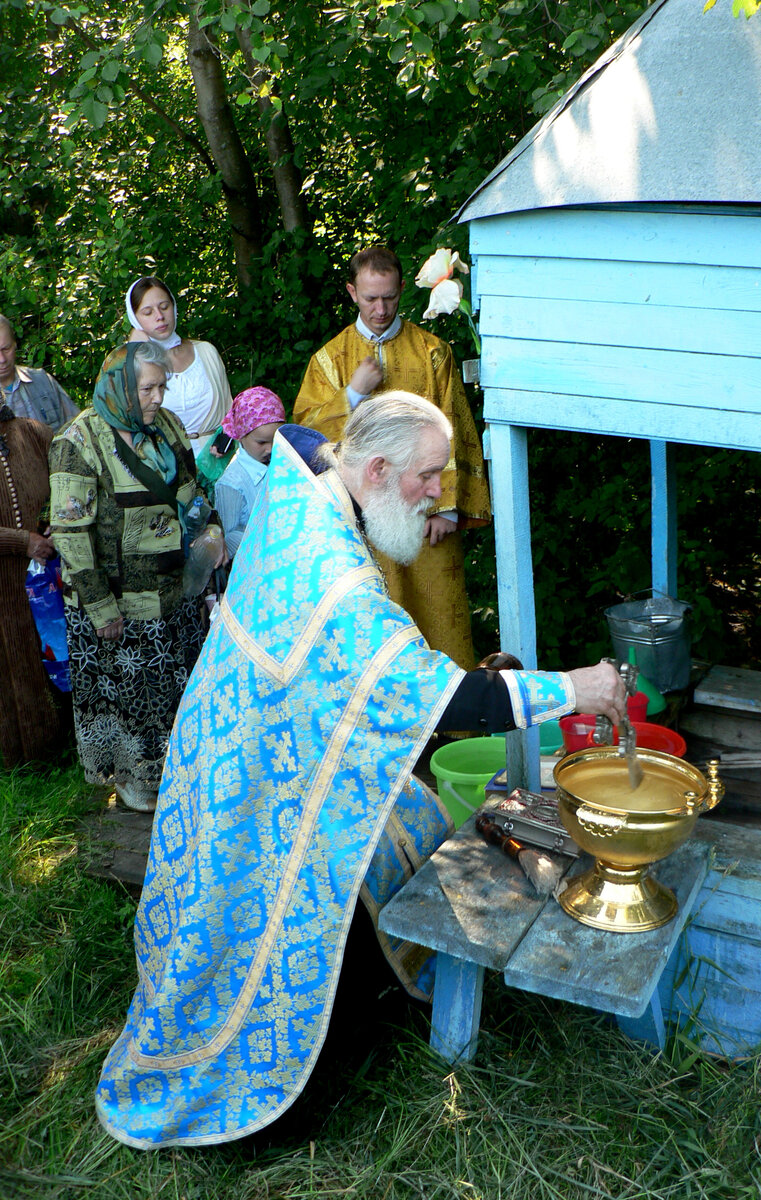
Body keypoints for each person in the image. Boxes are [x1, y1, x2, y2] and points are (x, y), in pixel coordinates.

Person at [95, 391, 626, 1148]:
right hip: (255, 778)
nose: (440, 492)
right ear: (377, 469)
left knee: (398, 817)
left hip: (228, 740)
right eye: (429, 477)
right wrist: (579, 688)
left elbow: (305, 437)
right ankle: (272, 1068)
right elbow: (448, 701)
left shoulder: (305, 484)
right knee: (257, 922)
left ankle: (356, 984)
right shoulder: (337, 583)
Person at [293, 245, 491, 669]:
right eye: (370, 299)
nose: (380, 309)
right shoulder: (329, 360)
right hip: (362, 519)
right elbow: (306, 438)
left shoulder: (432, 352)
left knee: (438, 619)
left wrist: (449, 510)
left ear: (402, 289)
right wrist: (352, 393)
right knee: (376, 629)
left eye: (389, 297)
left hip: (427, 516)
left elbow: (455, 428)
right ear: (351, 292)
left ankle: (453, 726)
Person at [49, 342, 224, 813]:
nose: (158, 398)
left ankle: (179, 773)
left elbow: (191, 489)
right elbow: (70, 533)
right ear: (120, 386)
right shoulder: (78, 441)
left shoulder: (167, 426)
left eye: (162, 387)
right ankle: (137, 786)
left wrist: (209, 531)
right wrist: (99, 606)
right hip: (116, 602)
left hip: (175, 590)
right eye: (147, 387)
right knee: (133, 697)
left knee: (176, 685)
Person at [0, 404, 64, 765]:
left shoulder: (33, 432)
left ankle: (64, 751)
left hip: (48, 577)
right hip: (3, 584)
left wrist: (54, 519)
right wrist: (20, 541)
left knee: (55, 653)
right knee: (12, 664)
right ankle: (22, 762)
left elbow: (67, 480)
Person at [125, 275, 232, 461]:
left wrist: (228, 436)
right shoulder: (132, 365)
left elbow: (230, 412)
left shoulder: (206, 353)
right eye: (148, 312)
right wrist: (135, 351)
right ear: (135, 319)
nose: (159, 316)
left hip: (217, 462)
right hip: (167, 465)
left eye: (164, 307)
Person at [214, 386, 288, 557]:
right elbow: (228, 536)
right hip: (257, 563)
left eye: (276, 440)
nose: (270, 449)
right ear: (241, 435)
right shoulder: (231, 483)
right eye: (261, 443)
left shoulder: (283, 462)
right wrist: (264, 542)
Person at [0, 315, 78, 432]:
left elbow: (77, 427)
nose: (2, 359)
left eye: (6, 349)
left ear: (15, 345)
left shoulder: (42, 380)